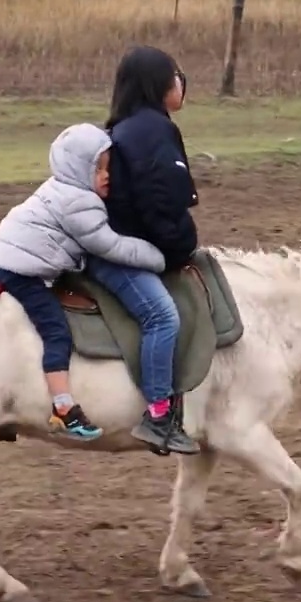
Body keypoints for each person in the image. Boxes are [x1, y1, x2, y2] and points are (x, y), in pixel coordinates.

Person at [0, 122, 167, 442]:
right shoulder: (79, 202)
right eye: (100, 168)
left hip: (9, 261)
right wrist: (159, 256)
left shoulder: (60, 188)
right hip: (21, 272)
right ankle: (64, 408)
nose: (107, 175)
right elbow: (109, 245)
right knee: (56, 331)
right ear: (80, 169)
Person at [88, 44, 202, 456]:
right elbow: (160, 205)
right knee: (161, 316)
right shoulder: (154, 130)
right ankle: (159, 416)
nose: (181, 83)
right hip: (121, 253)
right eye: (175, 75)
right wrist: (182, 247)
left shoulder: (128, 128)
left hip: (127, 243)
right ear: (158, 84)